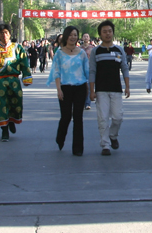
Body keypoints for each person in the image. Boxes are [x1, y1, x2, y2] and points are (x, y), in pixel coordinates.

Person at [0, 23, 33, 142]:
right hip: (1, 81)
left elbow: (24, 63)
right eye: (1, 33)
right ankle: (4, 130)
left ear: (10, 34)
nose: (4, 35)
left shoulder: (18, 48)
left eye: (6, 32)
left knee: (15, 104)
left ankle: (11, 121)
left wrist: (26, 76)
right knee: (0, 105)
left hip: (15, 81)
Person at [89, 20, 130, 156]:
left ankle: (113, 135)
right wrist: (92, 90)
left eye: (110, 31)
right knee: (103, 118)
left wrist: (127, 87)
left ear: (113, 33)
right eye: (104, 31)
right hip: (101, 90)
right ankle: (105, 145)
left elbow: (124, 68)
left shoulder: (119, 50)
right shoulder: (96, 51)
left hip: (116, 89)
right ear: (100, 34)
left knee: (118, 117)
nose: (107, 34)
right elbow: (92, 71)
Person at [47, 26, 89, 156]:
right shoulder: (59, 53)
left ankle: (78, 148)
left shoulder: (82, 53)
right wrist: (58, 89)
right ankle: (60, 138)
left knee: (78, 118)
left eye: (75, 35)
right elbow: (57, 72)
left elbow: (86, 72)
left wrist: (90, 89)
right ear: (66, 36)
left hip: (80, 88)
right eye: (70, 35)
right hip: (65, 88)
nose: (73, 37)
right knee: (65, 117)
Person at [80, 33, 96, 110]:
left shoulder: (93, 48)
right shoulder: (79, 48)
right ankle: (82, 102)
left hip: (90, 69)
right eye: (84, 36)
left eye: (87, 36)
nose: (86, 38)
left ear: (89, 38)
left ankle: (87, 103)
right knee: (82, 87)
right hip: (81, 70)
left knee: (89, 87)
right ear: (82, 38)